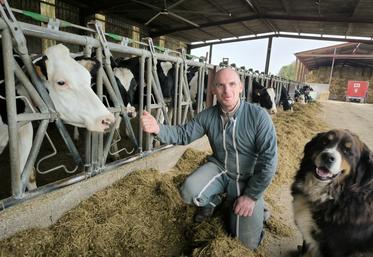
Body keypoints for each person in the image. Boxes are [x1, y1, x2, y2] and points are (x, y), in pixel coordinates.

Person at [141, 67, 277, 250]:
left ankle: (259, 210)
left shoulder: (259, 116)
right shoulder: (208, 115)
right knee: (189, 190)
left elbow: (269, 161)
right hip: (220, 168)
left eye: (231, 84)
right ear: (213, 89)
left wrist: (251, 196)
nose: (226, 90)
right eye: (220, 85)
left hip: (247, 178)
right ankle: (214, 201)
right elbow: (183, 134)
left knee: (247, 244)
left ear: (241, 87)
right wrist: (158, 128)